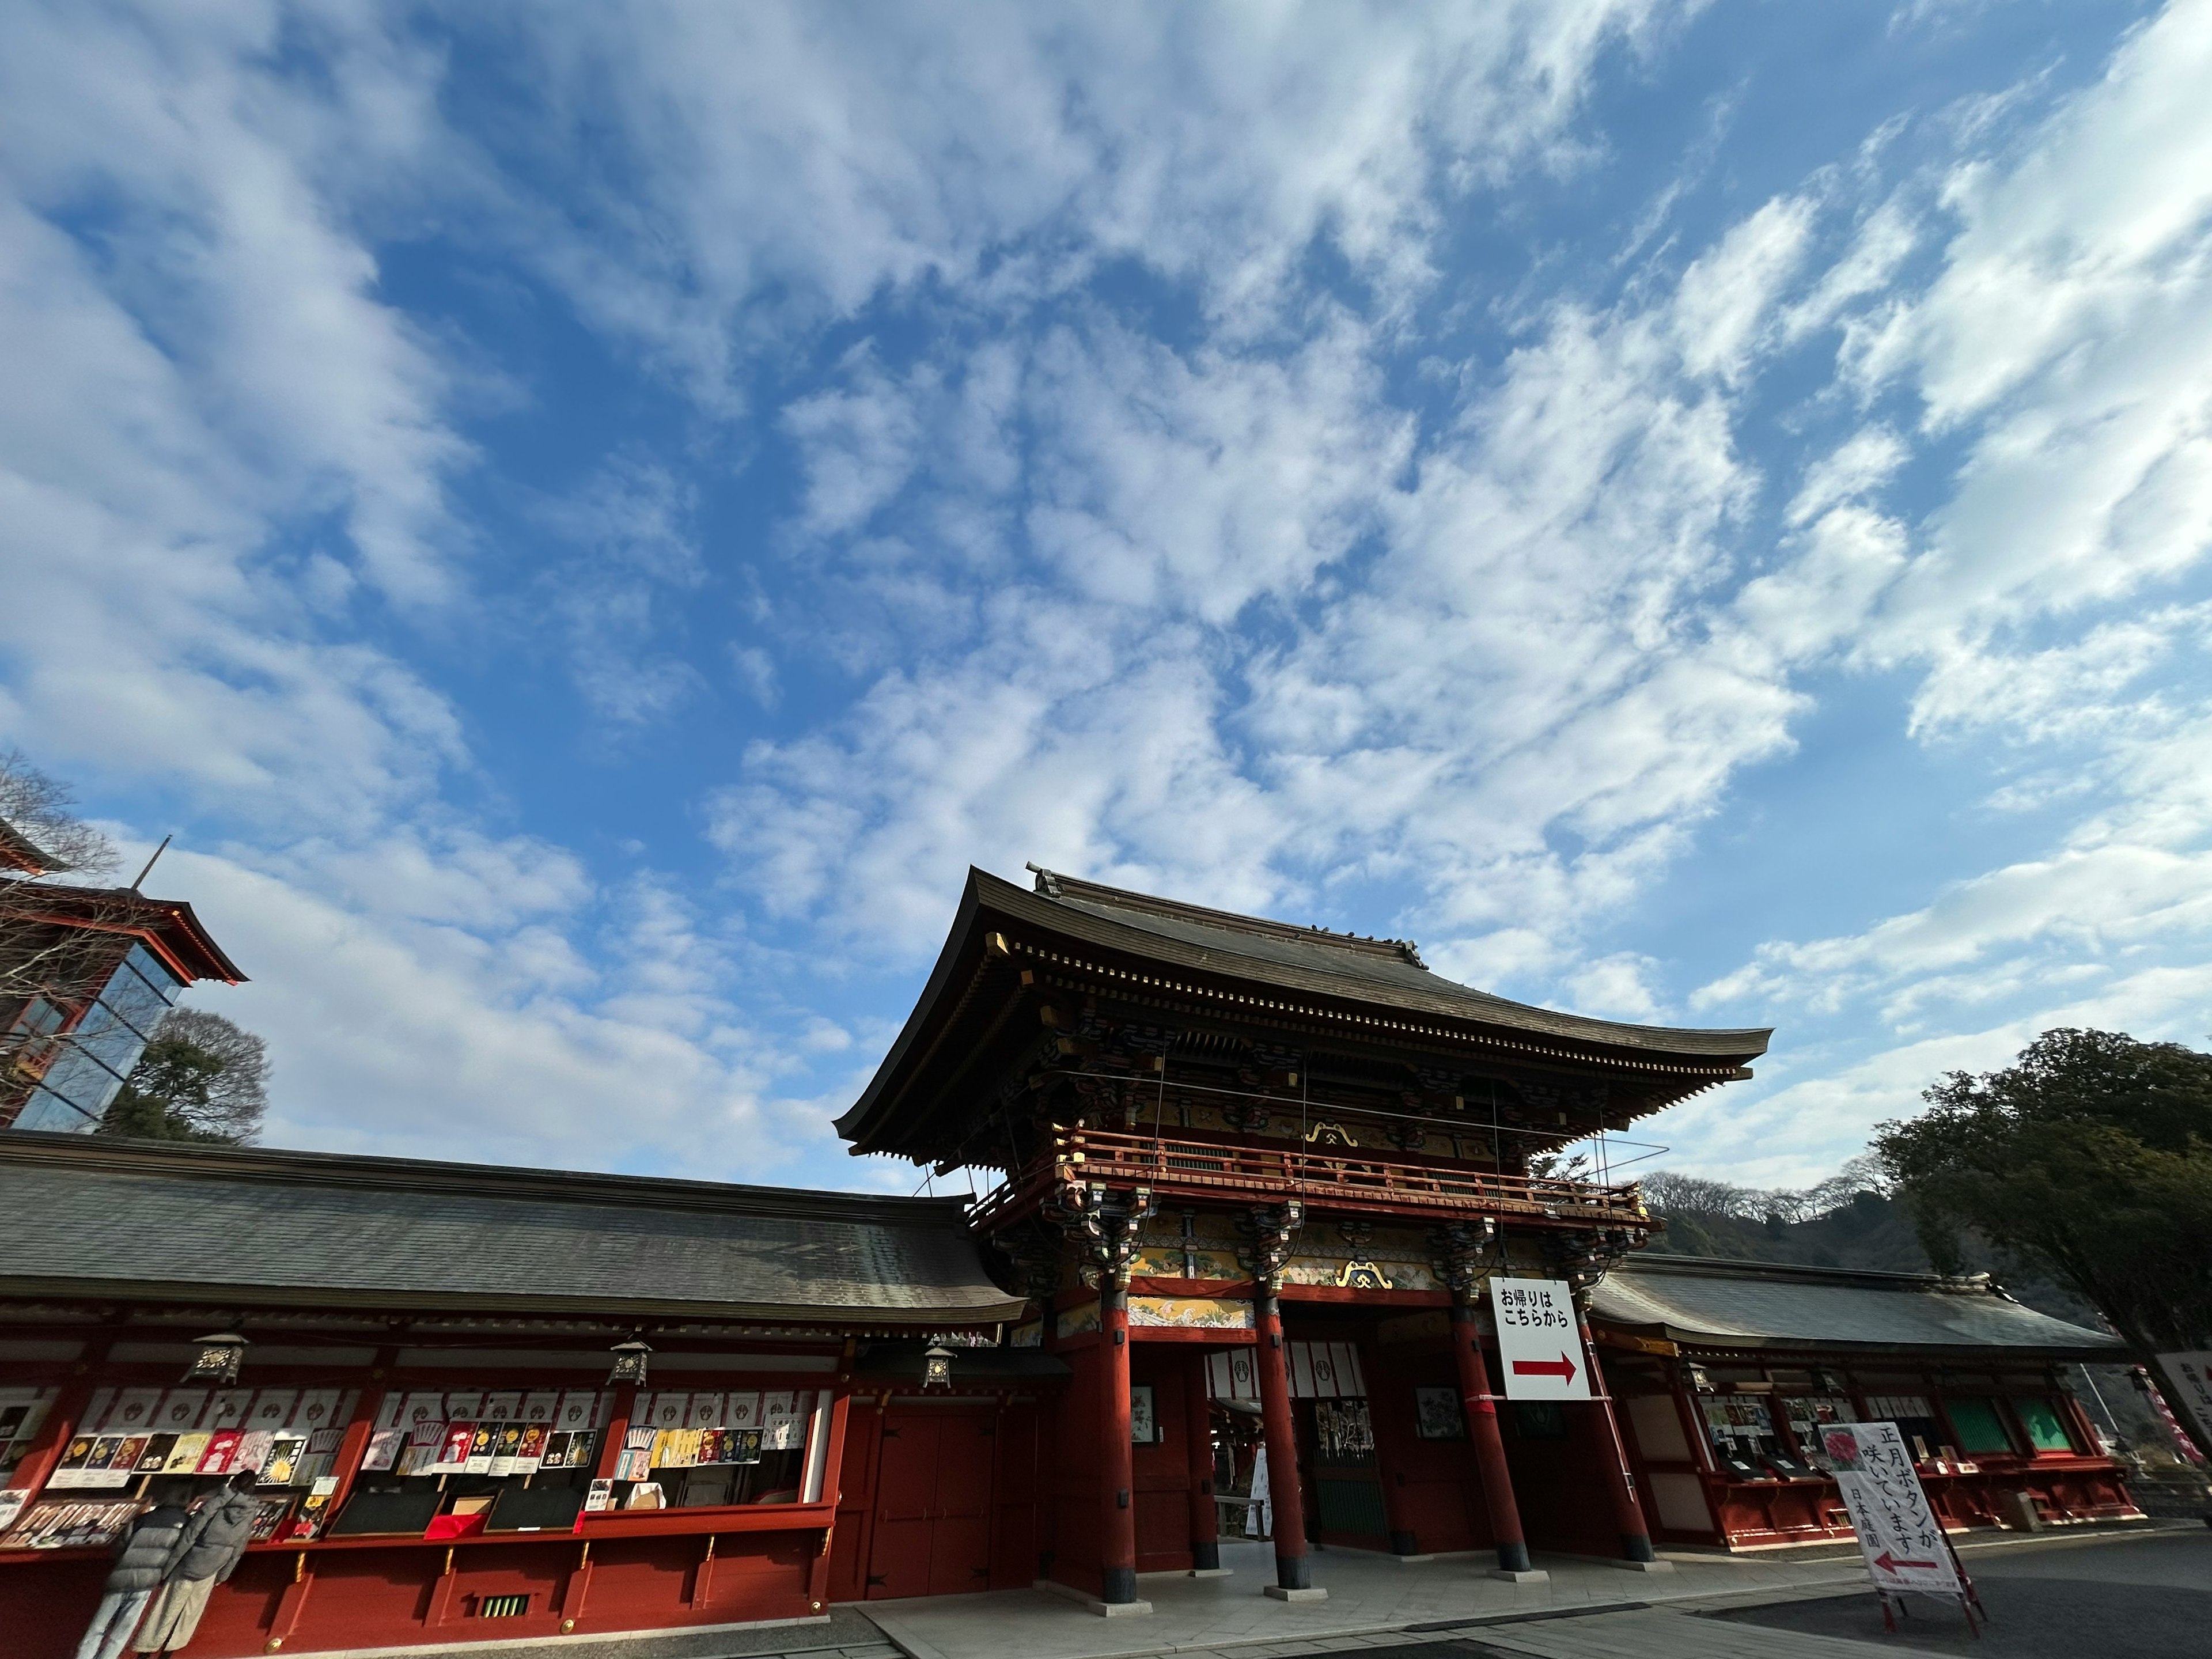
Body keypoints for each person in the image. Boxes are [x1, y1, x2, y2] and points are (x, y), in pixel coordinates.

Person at [133, 1474, 262, 1657]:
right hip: (213, 1568)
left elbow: (191, 1534)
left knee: (166, 1608)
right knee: (189, 1613)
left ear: (233, 1483)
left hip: (191, 1561)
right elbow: (238, 1549)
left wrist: (171, 1564)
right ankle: (169, 1652)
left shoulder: (217, 1503)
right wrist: (223, 1574)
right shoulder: (250, 1513)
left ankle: (147, 1650)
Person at [71, 1500, 190, 1659]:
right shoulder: (185, 1524)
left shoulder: (143, 1519)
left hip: (121, 1578)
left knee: (98, 1627)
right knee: (121, 1633)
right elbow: (178, 1556)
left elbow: (119, 1547)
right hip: (146, 1584)